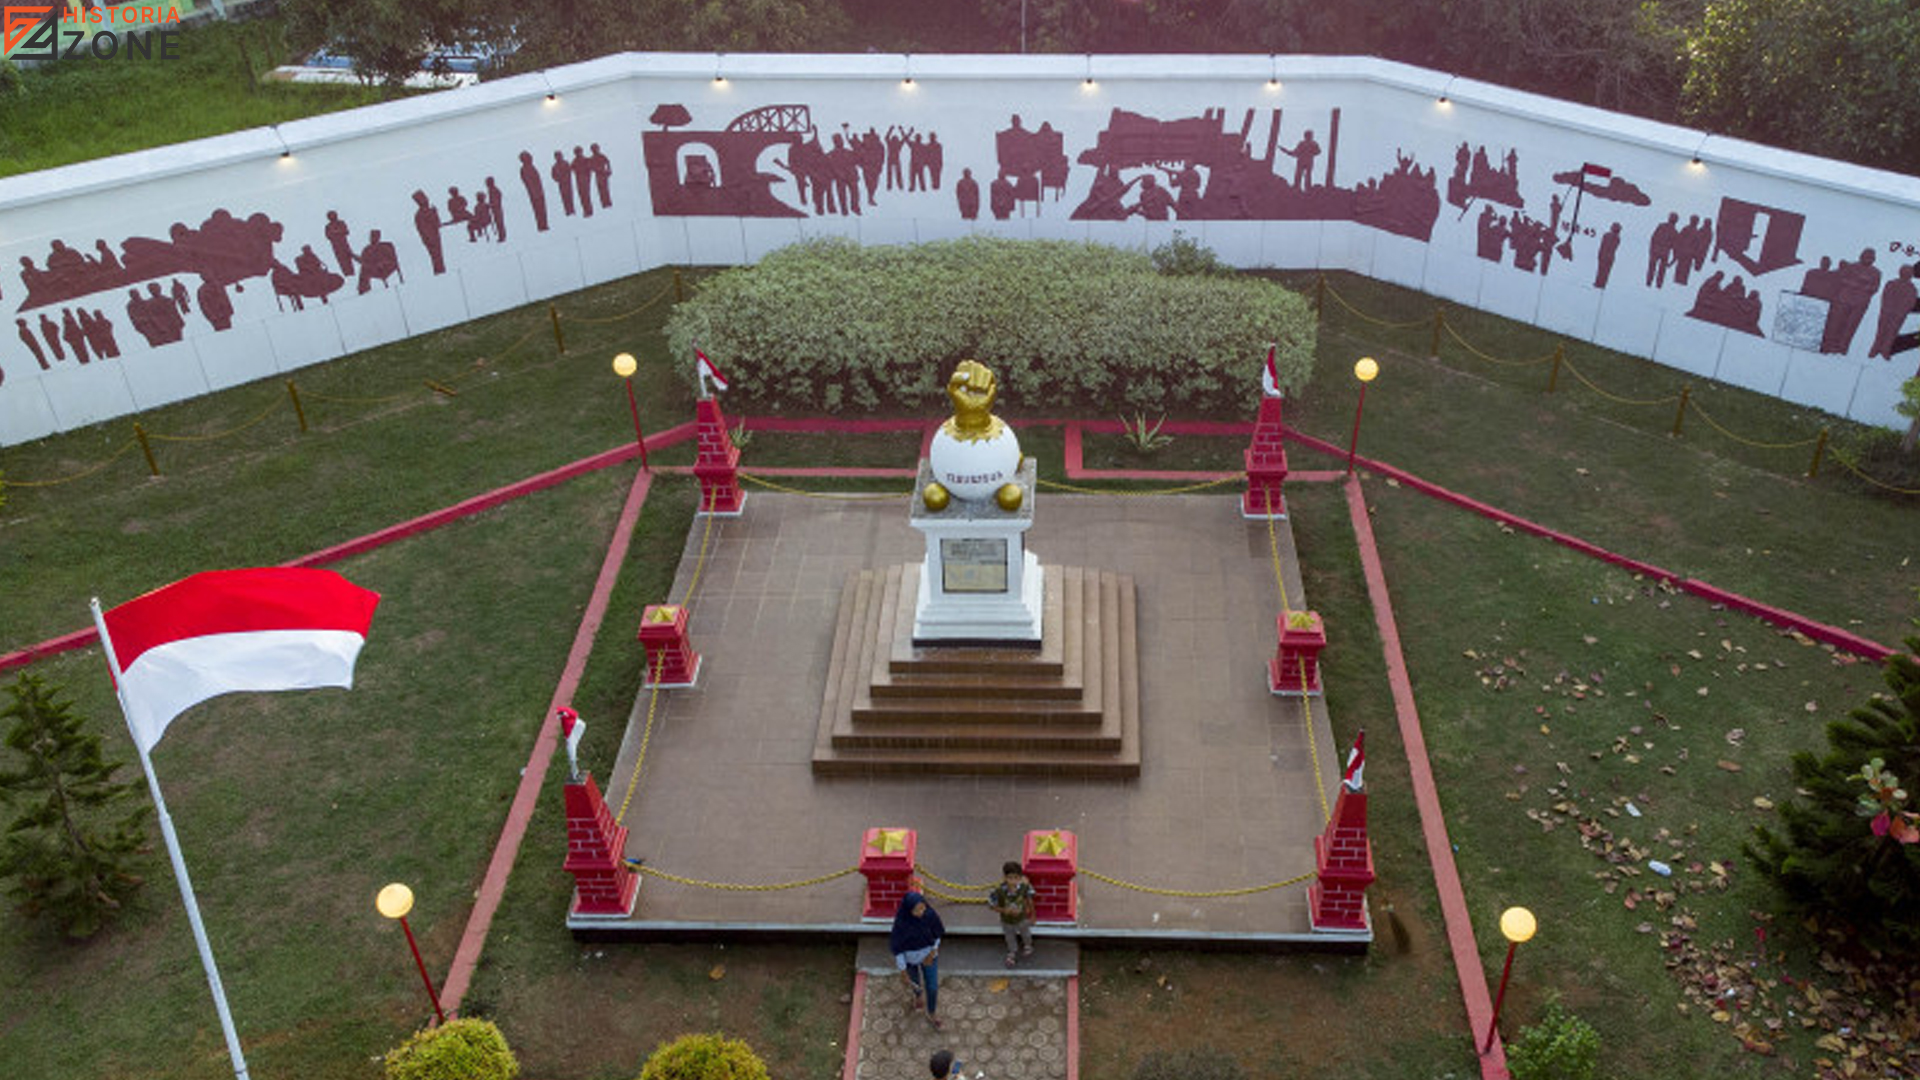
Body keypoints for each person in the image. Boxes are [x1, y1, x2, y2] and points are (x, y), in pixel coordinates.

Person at [890, 890, 945, 1029]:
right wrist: (903, 971)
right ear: (908, 910)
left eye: (923, 907)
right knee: (914, 982)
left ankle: (931, 1012)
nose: (921, 912)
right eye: (916, 910)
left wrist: (932, 952)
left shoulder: (930, 916)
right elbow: (898, 949)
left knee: (932, 986)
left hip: (929, 956)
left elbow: (937, 934)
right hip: (909, 960)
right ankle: (918, 995)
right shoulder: (901, 924)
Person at [987, 860, 1035, 967]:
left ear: (1021, 878)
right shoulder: (998, 891)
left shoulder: (1024, 888)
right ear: (1004, 877)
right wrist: (1004, 910)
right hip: (1007, 920)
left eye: (1016, 878)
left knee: (1026, 933)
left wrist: (1031, 914)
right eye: (1010, 878)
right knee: (1009, 937)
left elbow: (1030, 900)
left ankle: (1028, 945)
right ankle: (1012, 952)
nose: (1013, 881)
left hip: (1022, 918)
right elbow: (991, 905)